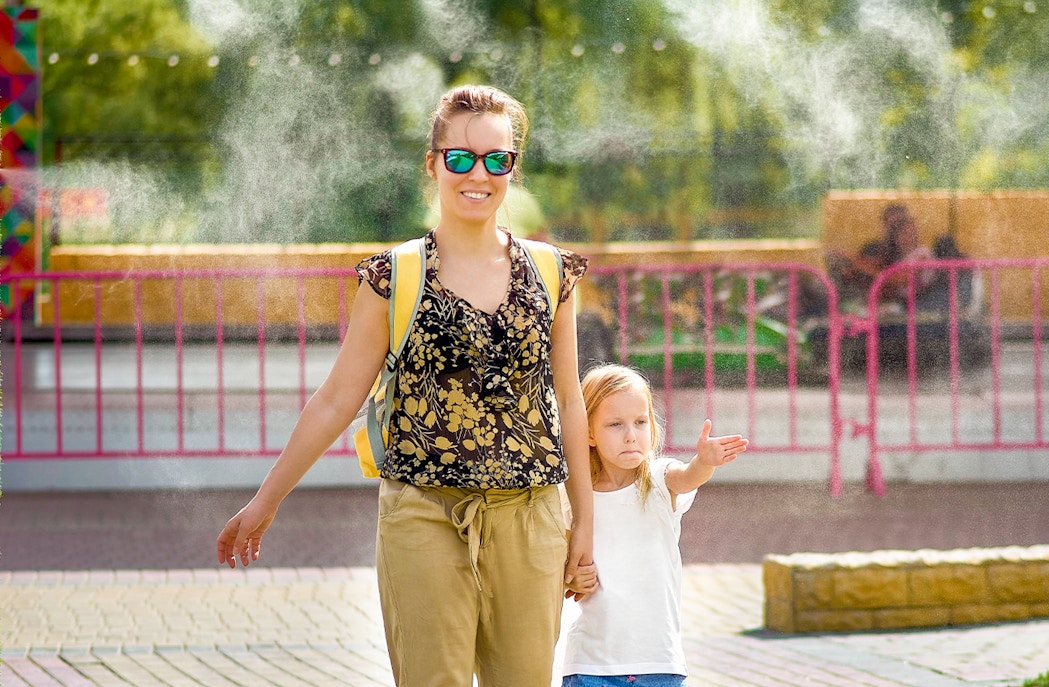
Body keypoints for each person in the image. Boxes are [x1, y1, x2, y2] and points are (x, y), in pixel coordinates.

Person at [215, 84, 595, 687]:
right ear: (433, 163)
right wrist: (267, 500)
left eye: (498, 159)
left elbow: (569, 401)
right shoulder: (395, 275)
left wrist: (584, 524)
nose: (479, 174)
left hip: (531, 518)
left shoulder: (552, 272)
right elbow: (338, 398)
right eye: (460, 157)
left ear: (513, 168)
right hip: (424, 514)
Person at [560, 364, 749, 687]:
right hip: (590, 664)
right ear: (589, 432)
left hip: (659, 661)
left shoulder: (661, 480)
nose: (631, 435)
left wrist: (703, 462)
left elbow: (687, 478)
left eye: (640, 422)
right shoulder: (573, 495)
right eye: (615, 424)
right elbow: (561, 564)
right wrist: (573, 576)